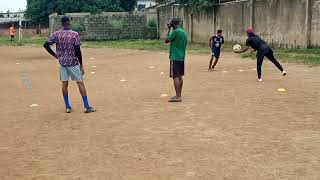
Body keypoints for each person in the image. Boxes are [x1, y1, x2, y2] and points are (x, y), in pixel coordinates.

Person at [43, 16, 96, 113]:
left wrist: (54, 55)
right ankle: (86, 106)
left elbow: (45, 44)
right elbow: (77, 51)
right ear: (69, 22)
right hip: (73, 63)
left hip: (63, 63)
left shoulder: (56, 34)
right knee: (80, 83)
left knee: (64, 84)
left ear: (62, 23)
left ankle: (67, 107)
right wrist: (81, 65)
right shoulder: (74, 34)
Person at [165, 18, 188, 102]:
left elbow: (166, 40)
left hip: (175, 57)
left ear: (172, 24)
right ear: (178, 23)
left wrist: (168, 30)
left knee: (175, 76)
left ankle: (178, 96)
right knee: (180, 76)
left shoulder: (175, 32)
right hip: (182, 57)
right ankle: (179, 95)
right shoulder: (183, 32)